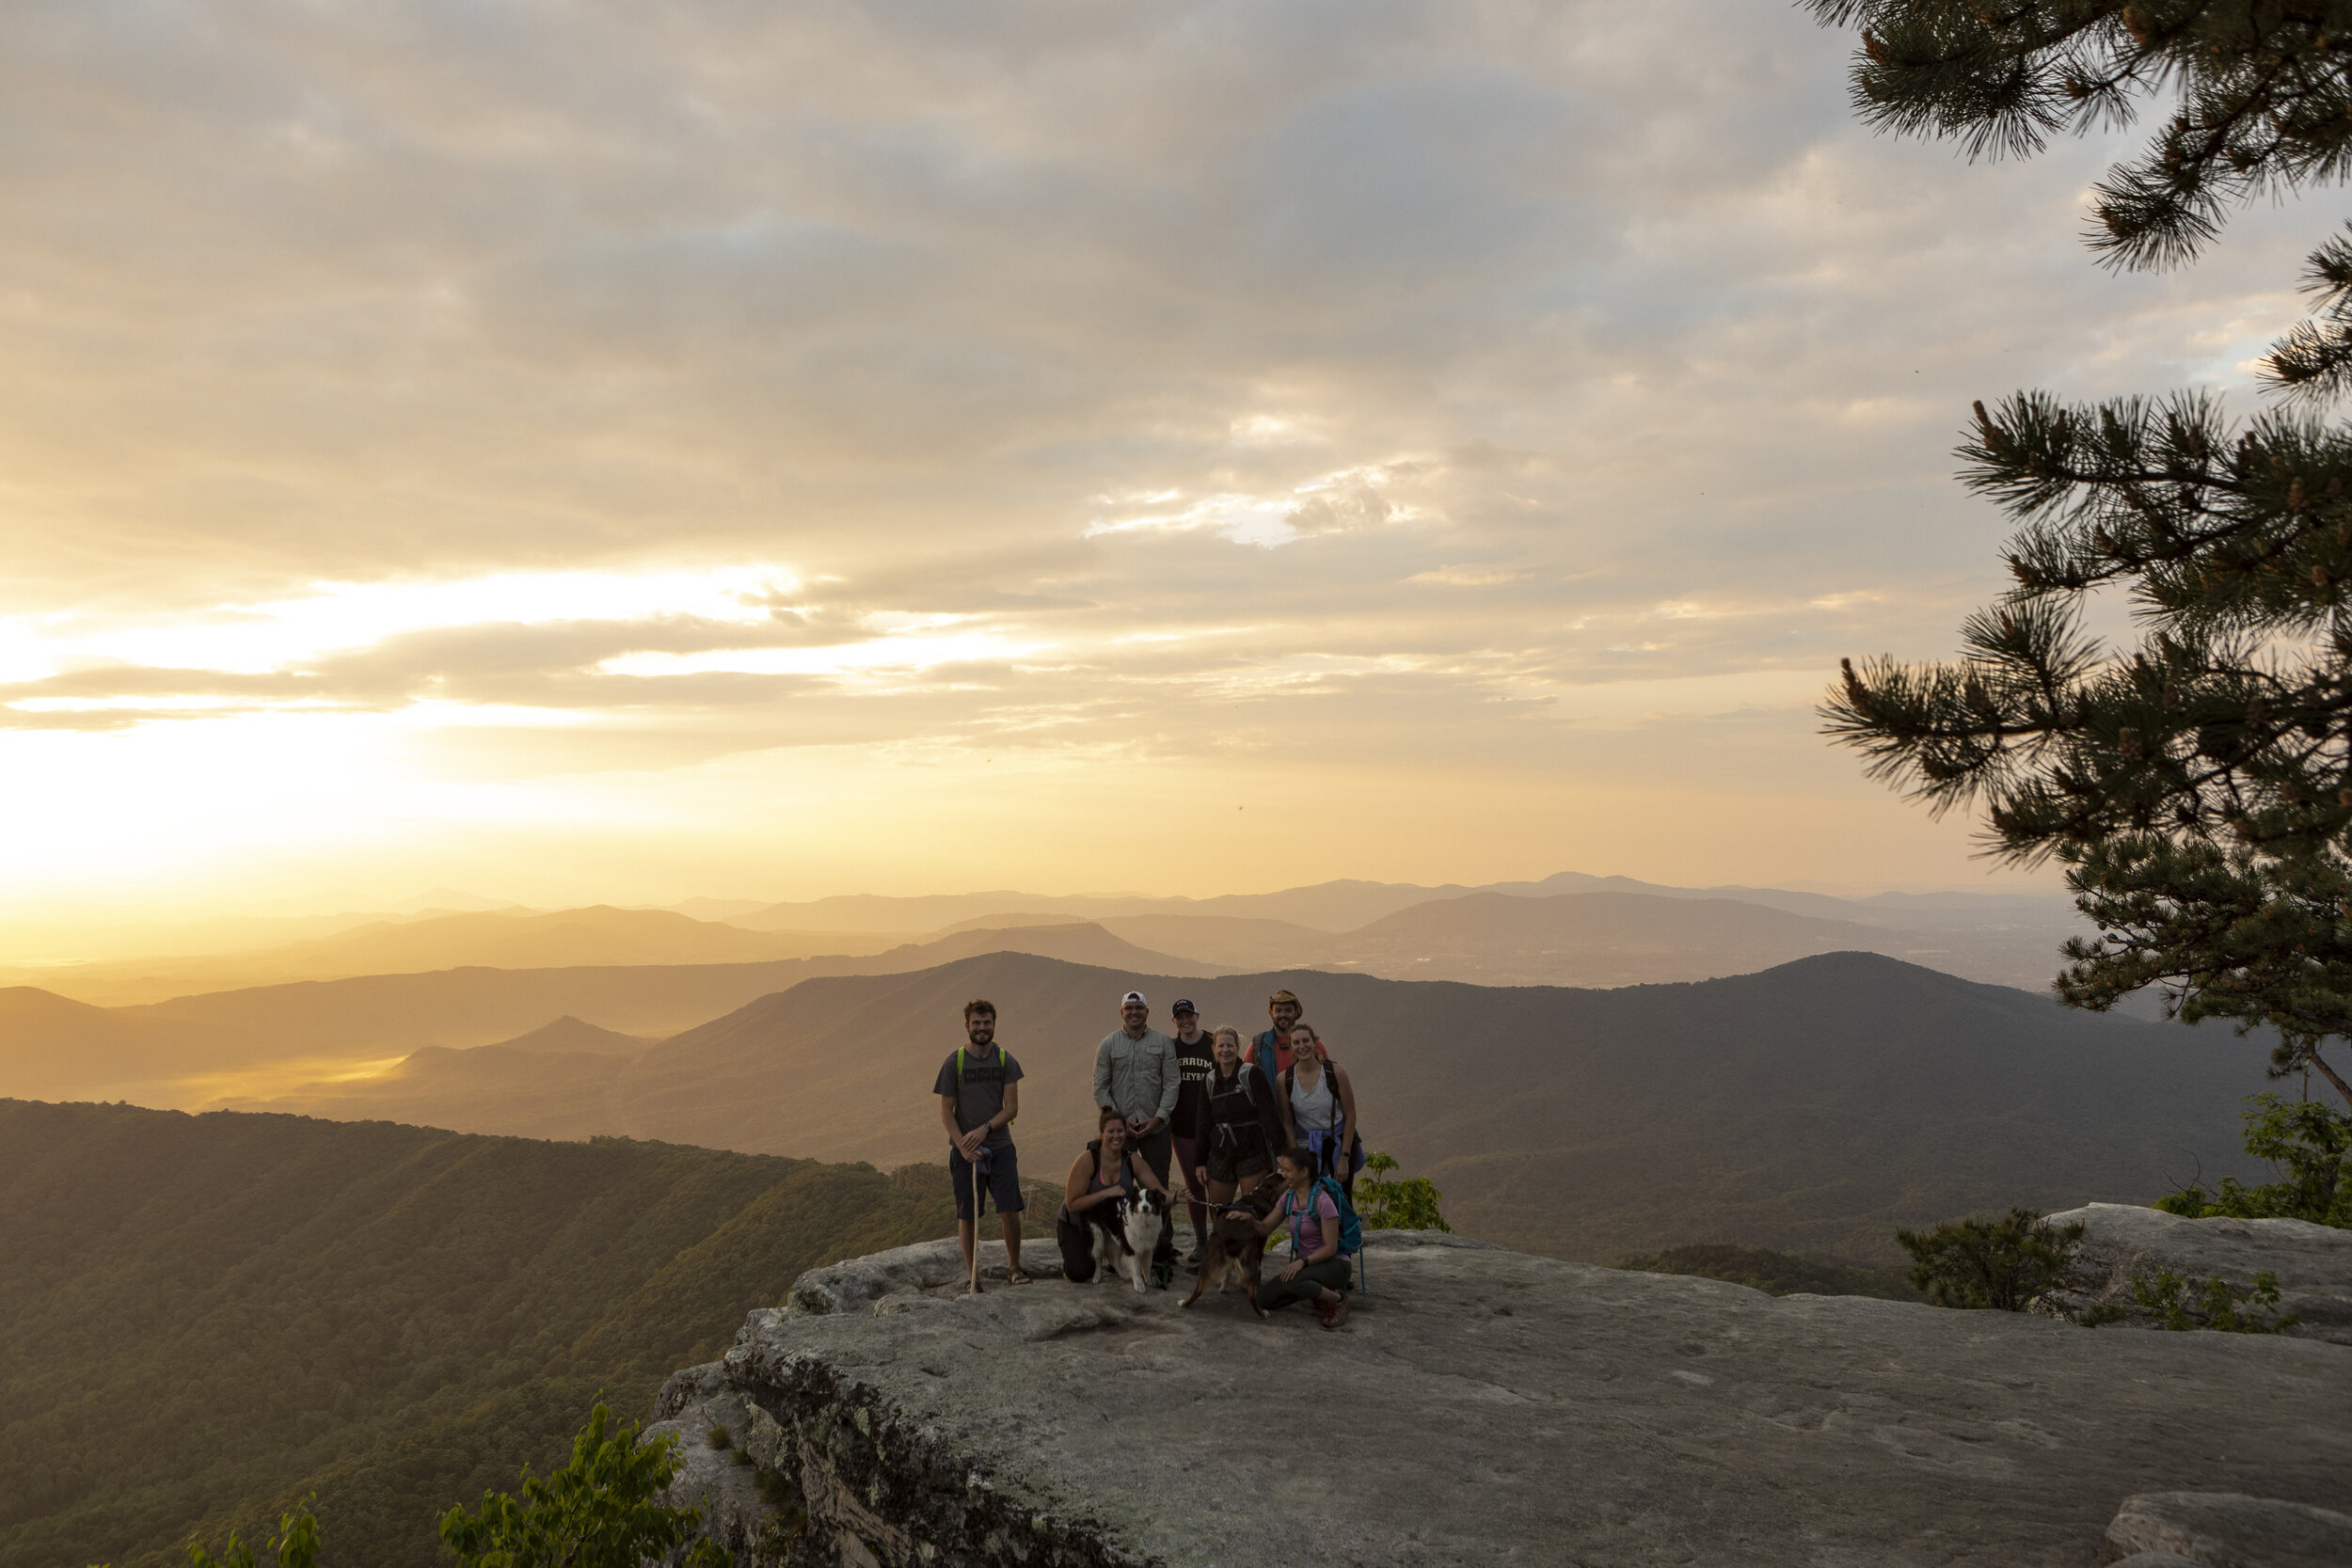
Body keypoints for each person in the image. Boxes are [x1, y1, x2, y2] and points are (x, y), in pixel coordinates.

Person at [933, 998, 1028, 1291]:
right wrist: (962, 1145)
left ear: (994, 1025)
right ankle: (973, 1275)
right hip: (964, 1151)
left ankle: (1014, 1267)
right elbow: (945, 1111)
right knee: (967, 1214)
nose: (982, 1028)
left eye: (987, 1023)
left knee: (1009, 1210)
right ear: (967, 1026)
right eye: (977, 1023)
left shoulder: (1005, 1061)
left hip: (1000, 1147)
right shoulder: (954, 1063)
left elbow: (1011, 1108)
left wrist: (985, 1128)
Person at [1092, 989, 1181, 1279]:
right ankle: (1123, 1243)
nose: (1134, 1012)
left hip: (1156, 1127)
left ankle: (1161, 1245)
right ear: (1122, 1012)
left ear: (1147, 1011)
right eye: (1129, 1008)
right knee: (1121, 1186)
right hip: (1121, 1131)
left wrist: (1159, 1117)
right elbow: (1100, 1087)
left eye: (1139, 1008)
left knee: (1158, 1185)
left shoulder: (1163, 1043)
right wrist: (1120, 1121)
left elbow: (1172, 1084)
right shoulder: (1108, 1045)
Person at [1057, 1106, 1175, 1283]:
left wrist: (1178, 1197)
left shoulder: (1131, 1160)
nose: (1116, 1136)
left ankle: (1114, 1258)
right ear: (1102, 1133)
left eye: (1120, 1131)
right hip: (1079, 1223)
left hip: (1113, 1223)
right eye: (1111, 1131)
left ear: (1126, 1132)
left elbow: (1160, 1193)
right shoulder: (1088, 1160)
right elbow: (1072, 1203)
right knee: (1080, 1273)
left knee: (1140, 1249)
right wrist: (1106, 1193)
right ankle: (1078, 1257)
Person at [1246, 1145, 1352, 1327]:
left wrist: (1301, 1261)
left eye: (1288, 1170)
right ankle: (1314, 1293)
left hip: (1335, 1265)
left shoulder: (1323, 1201)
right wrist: (1246, 1219)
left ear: (1304, 1172)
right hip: (1306, 1268)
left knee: (1293, 1278)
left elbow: (1331, 1248)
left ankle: (1338, 1300)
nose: (1283, 1174)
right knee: (1262, 1299)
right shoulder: (1288, 1197)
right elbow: (1264, 1228)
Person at [1195, 1025, 1286, 1212]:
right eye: (1221, 1046)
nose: (1225, 1050)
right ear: (1213, 1049)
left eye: (1230, 1046)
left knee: (1254, 1211)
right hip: (1220, 1154)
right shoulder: (1209, 1081)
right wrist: (1200, 1162)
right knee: (1218, 1212)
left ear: (1238, 1047)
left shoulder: (1251, 1074)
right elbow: (1203, 1124)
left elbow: (1269, 1116)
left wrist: (1281, 1154)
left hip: (1251, 1152)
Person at [1276, 1022, 1362, 1200]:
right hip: (1306, 1143)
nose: (1302, 1046)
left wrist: (1344, 1158)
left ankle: (1343, 1228)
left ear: (1315, 1042)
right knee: (1308, 1197)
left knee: (1342, 1196)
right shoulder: (1284, 1080)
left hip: (1338, 1140)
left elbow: (1350, 1115)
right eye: (1296, 1043)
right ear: (1291, 1046)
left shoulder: (1335, 1072)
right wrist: (1295, 1156)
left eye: (1306, 1041)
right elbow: (1286, 1121)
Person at [1168, 997, 1216, 1265]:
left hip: (1214, 1128)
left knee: (1218, 1183)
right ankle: (1201, 1241)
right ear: (1174, 1021)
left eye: (1189, 1015)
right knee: (1194, 1186)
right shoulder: (1171, 1048)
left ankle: (1221, 1238)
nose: (1185, 1021)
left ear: (1197, 1015)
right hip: (1183, 1128)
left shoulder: (1213, 1042)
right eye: (1180, 1017)